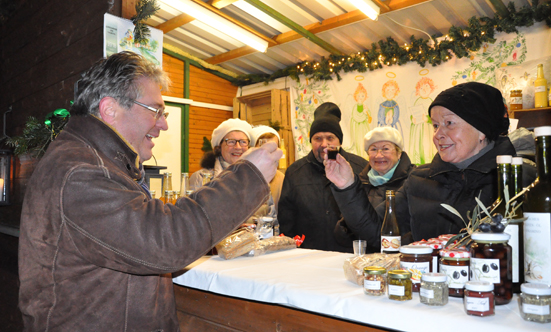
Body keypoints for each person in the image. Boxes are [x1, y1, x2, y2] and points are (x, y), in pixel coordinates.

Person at [17, 51, 281, 331]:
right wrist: (247, 178)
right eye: (156, 111)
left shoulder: (95, 161)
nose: (164, 124)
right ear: (110, 109)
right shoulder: (81, 172)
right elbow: (165, 240)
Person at [325, 82, 536, 247]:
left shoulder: (521, 180)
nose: (438, 134)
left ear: (482, 130)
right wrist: (347, 186)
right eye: (435, 125)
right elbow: (377, 232)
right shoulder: (420, 179)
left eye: (449, 123)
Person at [278, 102, 368, 252]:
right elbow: (286, 219)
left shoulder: (360, 168)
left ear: (339, 141)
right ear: (311, 141)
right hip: (307, 255)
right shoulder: (295, 172)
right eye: (318, 138)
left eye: (330, 138)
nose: (324, 144)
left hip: (349, 255)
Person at [334, 127, 415, 252]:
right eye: (373, 149)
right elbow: (345, 226)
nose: (379, 155)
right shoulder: (359, 182)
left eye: (385, 149)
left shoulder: (413, 181)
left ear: (399, 153)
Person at [189, 118, 253, 190]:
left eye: (243, 142)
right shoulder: (200, 178)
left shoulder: (257, 177)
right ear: (219, 147)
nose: (238, 147)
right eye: (231, 142)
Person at [250, 125, 285, 211]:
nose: (269, 152)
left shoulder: (281, 178)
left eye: (274, 148)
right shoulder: (245, 176)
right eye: (264, 147)